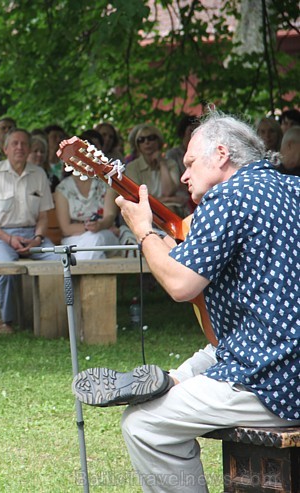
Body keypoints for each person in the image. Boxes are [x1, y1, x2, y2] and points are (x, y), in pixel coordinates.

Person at [72, 112, 300, 492]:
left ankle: (167, 385)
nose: (183, 175)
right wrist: (165, 247)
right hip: (273, 347)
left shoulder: (228, 196)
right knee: (212, 352)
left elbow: (180, 285)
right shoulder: (292, 187)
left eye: (191, 162)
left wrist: (144, 232)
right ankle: (173, 380)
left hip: (276, 378)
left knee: (143, 425)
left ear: (222, 154)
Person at [0, 129, 59, 335]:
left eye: (24, 144)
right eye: (15, 144)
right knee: (6, 267)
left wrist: (37, 239)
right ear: (5, 149)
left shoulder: (38, 173)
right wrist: (8, 238)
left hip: (33, 235)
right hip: (0, 235)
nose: (19, 147)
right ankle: (6, 321)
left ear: (29, 149)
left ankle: (56, 318)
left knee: (59, 261)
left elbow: (44, 216)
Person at [54, 173, 119, 260]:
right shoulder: (63, 188)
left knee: (95, 238)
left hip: (104, 234)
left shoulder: (106, 183)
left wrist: (100, 225)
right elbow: (66, 229)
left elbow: (109, 216)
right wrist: (89, 228)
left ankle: (83, 272)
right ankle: (94, 272)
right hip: (74, 239)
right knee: (92, 244)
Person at [125, 124, 187, 214]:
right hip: (142, 211)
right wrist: (167, 200)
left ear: (159, 141)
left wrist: (162, 164)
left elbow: (168, 192)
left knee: (170, 209)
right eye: (141, 140)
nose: (146, 142)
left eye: (151, 138)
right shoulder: (132, 167)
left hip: (169, 209)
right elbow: (137, 198)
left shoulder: (170, 164)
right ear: (138, 145)